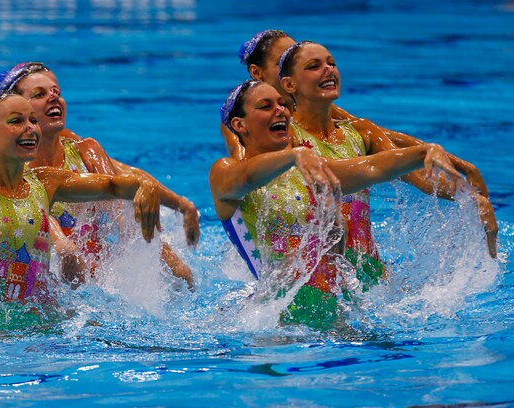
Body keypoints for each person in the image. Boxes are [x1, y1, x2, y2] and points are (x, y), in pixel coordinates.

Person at [210, 80, 461, 326]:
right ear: (239, 124)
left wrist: (423, 152)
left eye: (281, 104)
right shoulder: (225, 173)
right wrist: (294, 155)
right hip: (277, 326)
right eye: (265, 106)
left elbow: (372, 168)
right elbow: (249, 177)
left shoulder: (310, 171)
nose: (280, 111)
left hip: (330, 315)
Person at [0, 91, 160, 304]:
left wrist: (142, 187)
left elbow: (112, 185)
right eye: (16, 121)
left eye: (33, 121)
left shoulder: (46, 182)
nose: (31, 129)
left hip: (43, 319)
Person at [277, 40, 497, 260]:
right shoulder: (286, 137)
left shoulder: (362, 132)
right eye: (314, 66)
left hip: (367, 271)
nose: (328, 70)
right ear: (289, 85)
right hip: (309, 272)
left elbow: (420, 178)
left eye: (332, 64)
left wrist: (470, 199)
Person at [222, 30, 493, 206]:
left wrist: (456, 167)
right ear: (260, 73)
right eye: (286, 59)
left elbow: (378, 134)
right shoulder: (248, 125)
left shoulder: (336, 121)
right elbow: (246, 177)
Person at [0, 62, 199, 288]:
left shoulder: (84, 150)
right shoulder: (13, 173)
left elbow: (123, 205)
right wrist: (65, 248)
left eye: (56, 91)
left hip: (99, 283)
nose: (53, 97)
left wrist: (174, 262)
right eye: (39, 94)